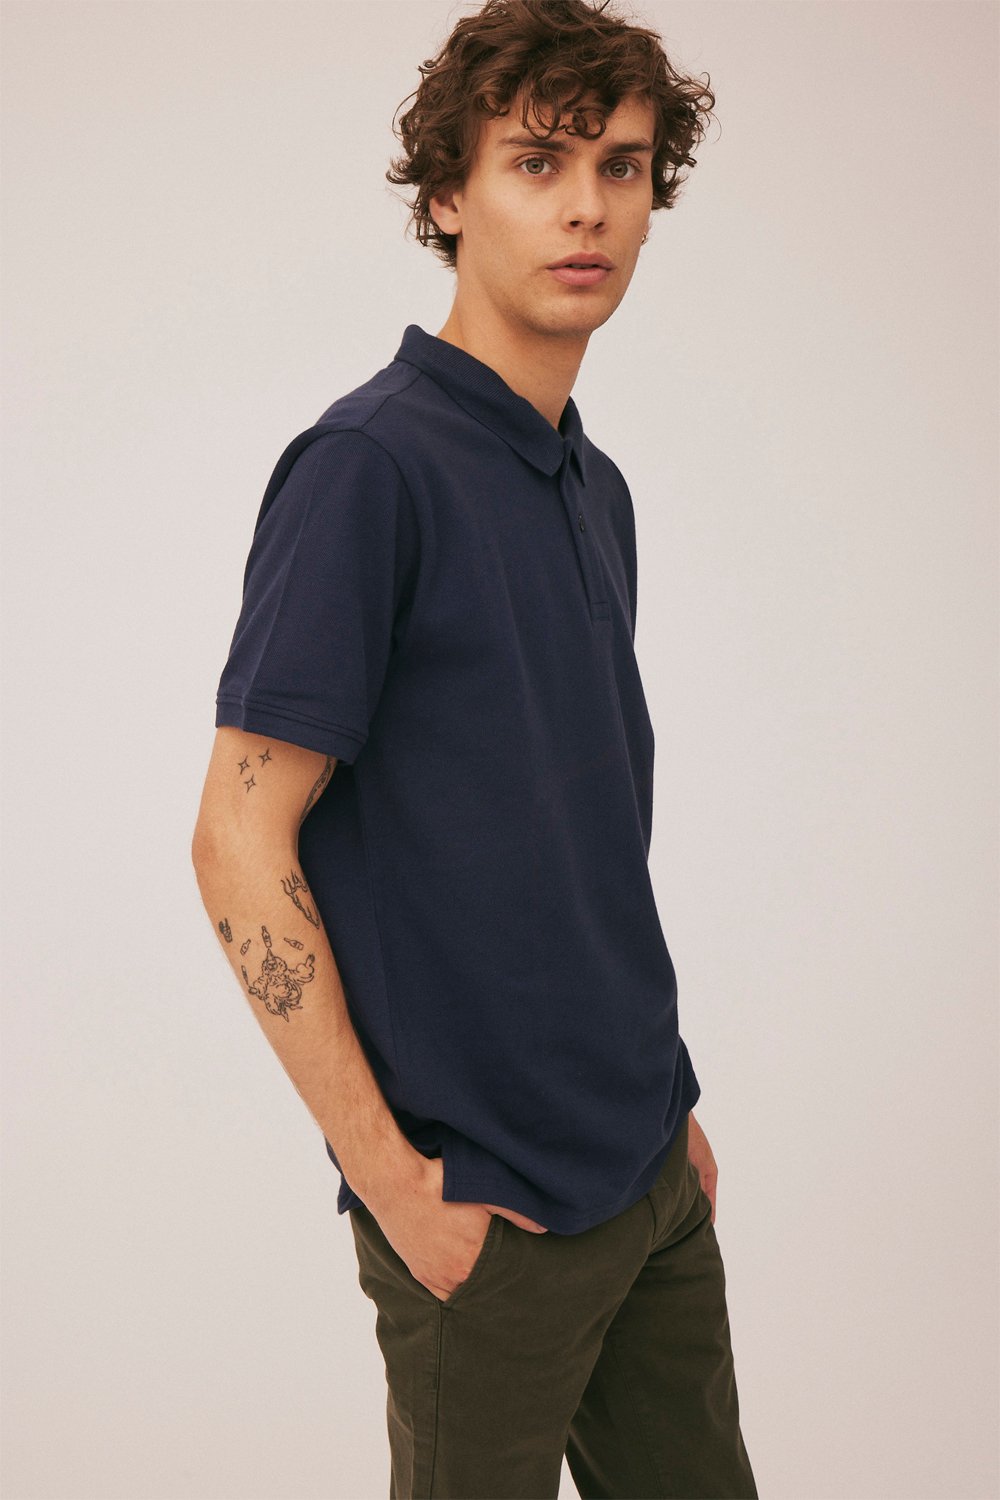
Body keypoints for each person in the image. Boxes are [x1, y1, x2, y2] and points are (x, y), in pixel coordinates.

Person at [191, 0, 759, 1494]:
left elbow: (574, 833)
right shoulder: (368, 469)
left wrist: (668, 1101)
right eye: (536, 162)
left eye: (622, 166)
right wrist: (390, 1182)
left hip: (645, 1168)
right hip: (486, 1217)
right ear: (448, 196)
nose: (588, 207)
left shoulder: (592, 484)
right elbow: (237, 842)